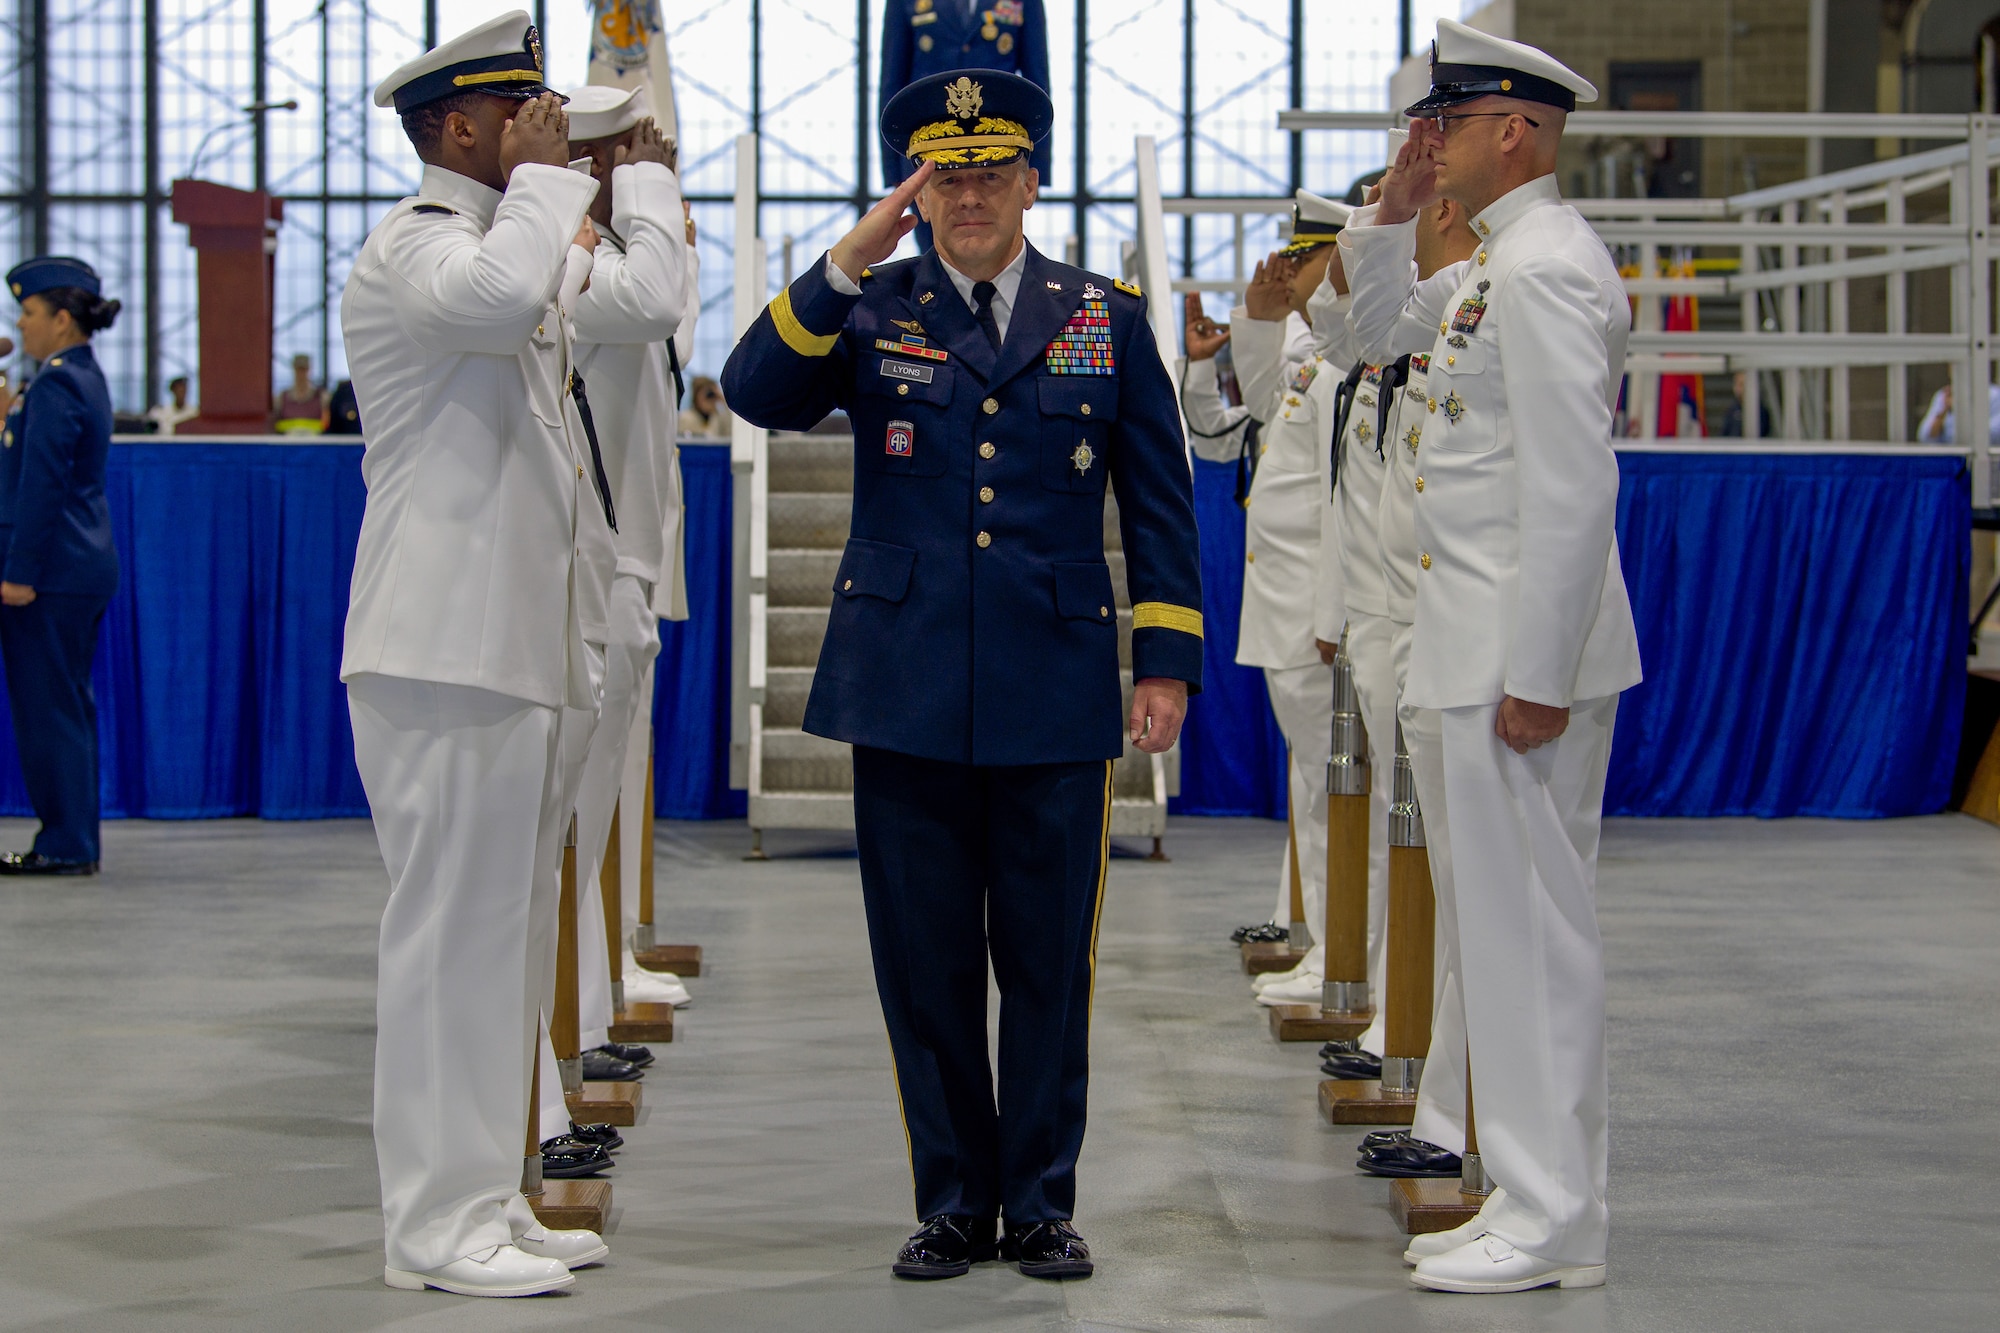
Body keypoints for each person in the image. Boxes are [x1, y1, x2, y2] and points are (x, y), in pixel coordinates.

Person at [722, 68, 1202, 1282]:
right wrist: (845, 258)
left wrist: (1165, 665)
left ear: (1030, 182)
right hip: (906, 680)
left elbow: (1157, 502)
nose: (971, 196)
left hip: (1052, 682)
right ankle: (951, 1201)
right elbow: (753, 392)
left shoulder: (1099, 313)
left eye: (992, 173)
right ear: (916, 190)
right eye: (947, 176)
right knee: (924, 964)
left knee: (1048, 964)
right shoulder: (871, 308)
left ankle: (1038, 1202)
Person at [1340, 18, 1642, 1294]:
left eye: (1447, 126)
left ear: (1510, 131)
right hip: (1467, 648)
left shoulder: (1545, 269)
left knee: (1530, 938)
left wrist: (1534, 670)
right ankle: (1529, 1190)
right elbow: (1364, 337)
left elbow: (1573, 490)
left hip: (1515, 663)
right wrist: (1393, 209)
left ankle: (1554, 1209)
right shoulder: (1484, 269)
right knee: (1496, 934)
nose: (1431, 142)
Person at [339, 10, 611, 1298]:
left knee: (501, 939)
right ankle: (431, 1232)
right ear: (462, 126)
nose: (548, 127)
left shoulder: (501, 236)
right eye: (526, 112)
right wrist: (554, 186)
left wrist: (559, 193)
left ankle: (487, 1198)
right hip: (439, 647)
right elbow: (505, 302)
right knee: (448, 940)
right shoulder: (416, 248)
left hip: (506, 647)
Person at [556, 80, 695, 1115]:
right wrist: (646, 195)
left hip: (627, 555)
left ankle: (590, 1004)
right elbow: (655, 301)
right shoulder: (582, 269)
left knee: (594, 814)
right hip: (594, 561)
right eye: (639, 148)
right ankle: (572, 1026)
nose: (658, 158)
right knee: (573, 818)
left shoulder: (617, 257)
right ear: (599, 165)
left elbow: (676, 319)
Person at [0, 257, 121, 876]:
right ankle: (70, 837)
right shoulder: (74, 377)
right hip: (75, 566)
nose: (20, 325)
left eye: (28, 313)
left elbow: (42, 488)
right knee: (65, 705)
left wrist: (19, 572)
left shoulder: (56, 385)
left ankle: (66, 843)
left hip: (52, 572)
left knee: (49, 709)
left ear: (63, 319)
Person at [879, 1, 1049, 251]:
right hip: (930, 148)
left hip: (999, 149)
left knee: (997, 249)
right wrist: (894, 171)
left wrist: (1037, 165)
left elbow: (1037, 84)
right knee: (933, 258)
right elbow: (892, 82)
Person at [1915, 379, 2000, 444]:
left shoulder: (1994, 395)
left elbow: (1992, 434)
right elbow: (1924, 437)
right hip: (1951, 462)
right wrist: (1944, 411)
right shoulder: (1944, 394)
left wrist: (1962, 411)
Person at [273, 353, 328, 433]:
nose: (301, 374)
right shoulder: (282, 397)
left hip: (315, 442)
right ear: (294, 370)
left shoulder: (321, 396)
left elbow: (326, 422)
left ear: (309, 370)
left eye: (304, 370)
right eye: (298, 370)